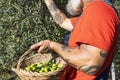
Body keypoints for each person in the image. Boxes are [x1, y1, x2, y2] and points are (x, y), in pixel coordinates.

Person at [30, 0, 120, 80]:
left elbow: (90, 63)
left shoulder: (98, 9)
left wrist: (53, 46)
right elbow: (64, 21)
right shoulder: (89, 13)